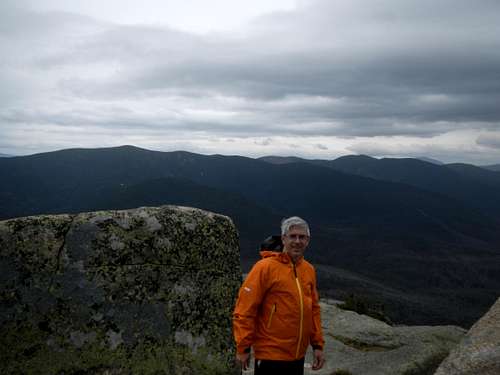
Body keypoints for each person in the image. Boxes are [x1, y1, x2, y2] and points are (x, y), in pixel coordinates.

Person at [233, 216, 325, 374]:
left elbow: (313, 309)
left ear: (308, 240)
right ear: (283, 239)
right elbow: (245, 310)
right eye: (292, 236)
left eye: (302, 237)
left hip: (297, 356)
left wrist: (317, 345)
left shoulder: (308, 270)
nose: (297, 241)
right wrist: (243, 347)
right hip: (271, 355)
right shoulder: (264, 268)